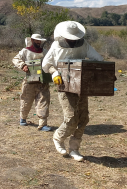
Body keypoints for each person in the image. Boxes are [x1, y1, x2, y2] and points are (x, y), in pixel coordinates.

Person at [42, 21, 103, 161]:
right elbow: (46, 64)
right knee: (71, 118)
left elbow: (98, 58)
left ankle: (74, 148)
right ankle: (58, 138)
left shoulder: (84, 44)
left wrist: (98, 70)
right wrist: (54, 73)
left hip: (81, 85)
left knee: (83, 118)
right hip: (64, 86)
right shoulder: (56, 45)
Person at [12, 33, 52, 131]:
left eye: (39, 41)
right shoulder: (25, 51)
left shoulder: (45, 51)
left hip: (43, 81)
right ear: (32, 40)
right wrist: (23, 65)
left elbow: (50, 61)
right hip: (29, 81)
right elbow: (16, 59)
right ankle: (23, 119)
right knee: (26, 99)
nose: (38, 42)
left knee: (43, 101)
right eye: (36, 40)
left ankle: (43, 124)